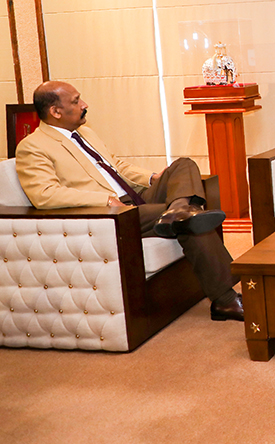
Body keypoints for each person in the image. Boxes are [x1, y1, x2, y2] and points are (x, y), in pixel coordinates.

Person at [15, 81, 244, 322]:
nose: (84, 105)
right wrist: (104, 199)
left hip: (135, 199)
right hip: (111, 214)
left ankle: (178, 211)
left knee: (184, 164)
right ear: (55, 111)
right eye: (76, 101)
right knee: (192, 219)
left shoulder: (85, 133)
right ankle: (225, 300)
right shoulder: (33, 147)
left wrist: (152, 177)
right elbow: (45, 193)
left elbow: (116, 166)